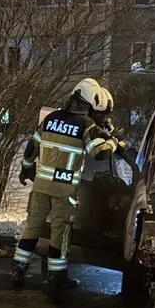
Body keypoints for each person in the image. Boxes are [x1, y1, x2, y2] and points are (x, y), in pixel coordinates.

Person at [13, 78, 121, 293]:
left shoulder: (51, 118)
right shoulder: (85, 125)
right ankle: (57, 277)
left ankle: (18, 270)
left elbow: (32, 146)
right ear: (89, 104)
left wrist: (26, 168)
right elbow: (99, 153)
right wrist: (114, 141)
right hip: (64, 190)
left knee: (32, 227)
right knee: (59, 232)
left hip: (41, 186)